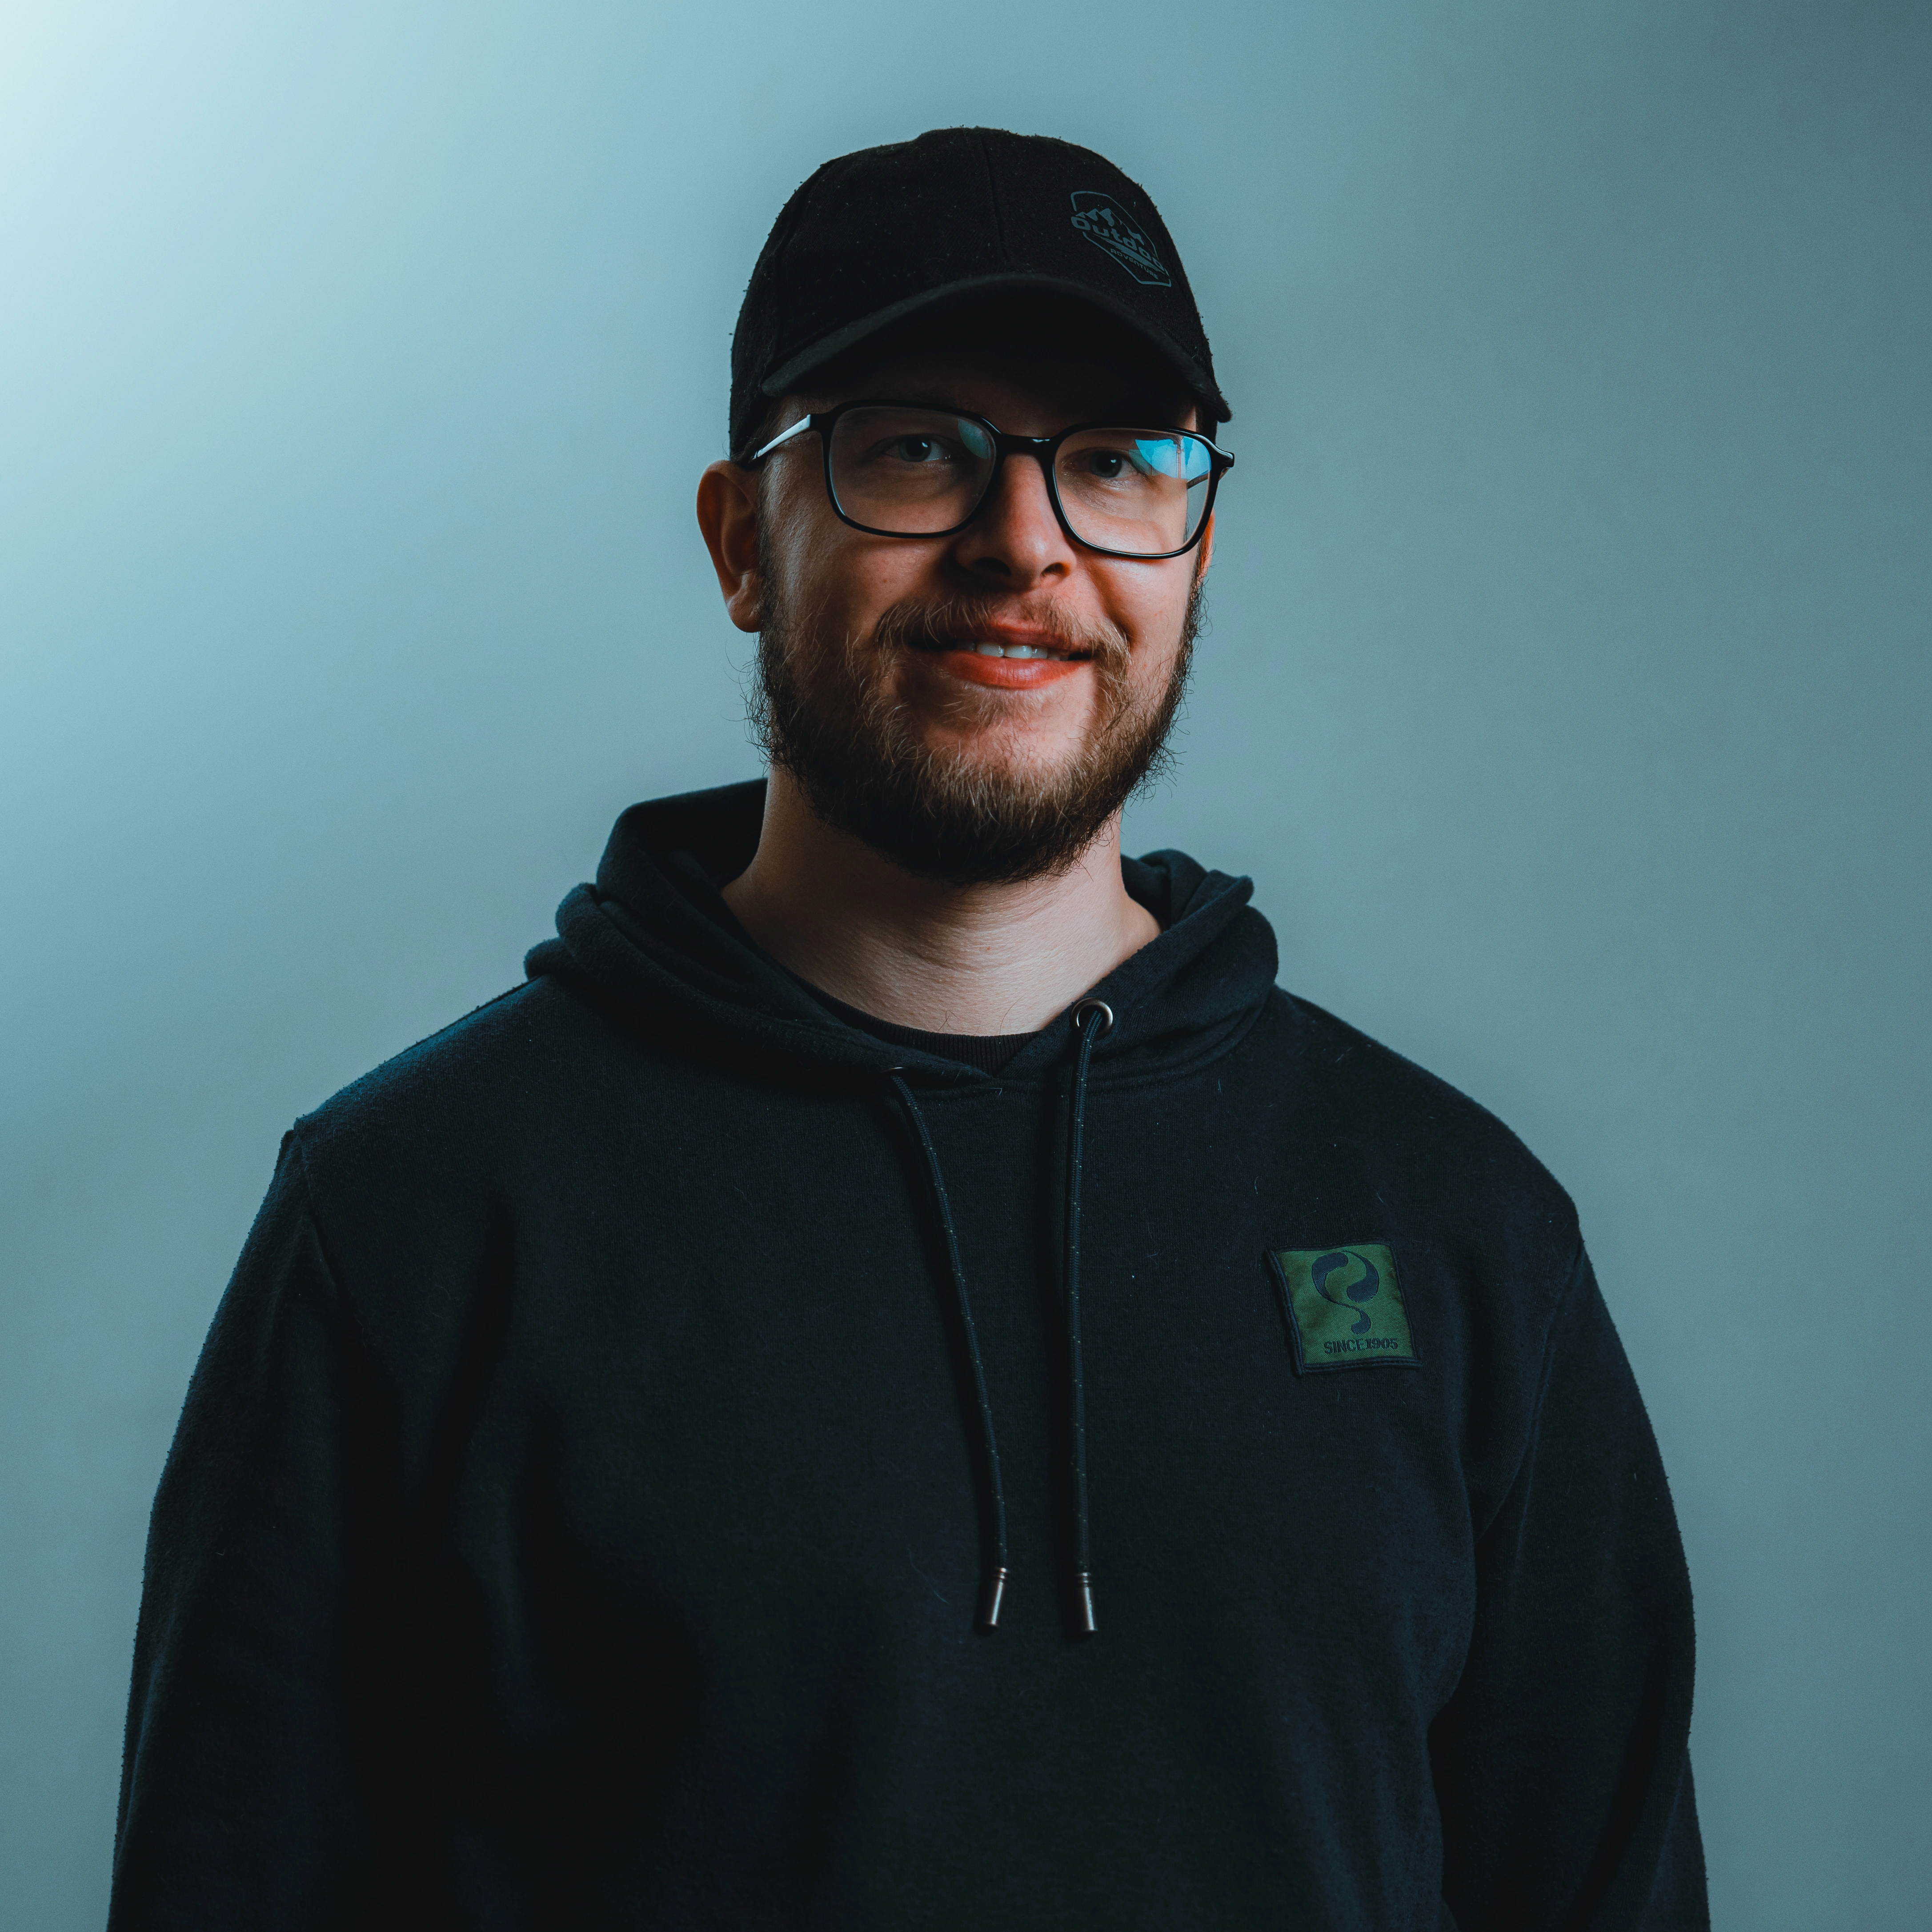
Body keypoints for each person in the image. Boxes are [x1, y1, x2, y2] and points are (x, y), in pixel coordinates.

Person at [108, 128, 1707, 1929]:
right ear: (742, 540)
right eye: (917, 449)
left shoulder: (1453, 1224)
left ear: (1192, 540)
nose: (1024, 543)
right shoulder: (418, 1223)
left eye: (1114, 459)